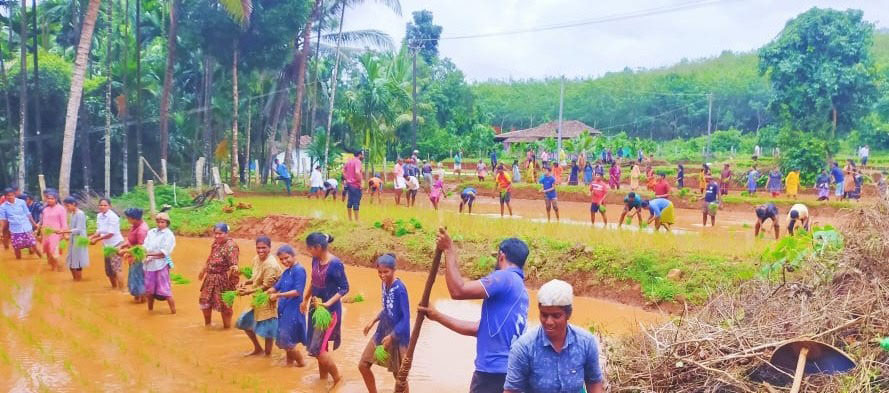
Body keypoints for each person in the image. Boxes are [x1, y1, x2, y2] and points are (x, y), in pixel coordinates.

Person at [420, 229, 530, 393]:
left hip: (492, 374)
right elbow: (477, 329)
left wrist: (449, 250)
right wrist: (436, 316)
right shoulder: (521, 291)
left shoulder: (504, 277)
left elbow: (458, 290)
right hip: (510, 374)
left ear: (501, 255)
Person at [504, 280, 604, 393]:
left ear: (568, 314)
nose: (549, 322)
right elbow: (512, 390)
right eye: (544, 315)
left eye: (556, 316)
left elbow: (594, 382)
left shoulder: (586, 342)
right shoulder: (524, 348)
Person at [301, 233, 349, 385]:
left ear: (318, 247)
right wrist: (306, 299)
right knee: (320, 347)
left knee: (318, 350)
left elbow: (344, 288)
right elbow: (313, 281)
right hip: (315, 308)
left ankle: (337, 379)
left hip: (329, 312)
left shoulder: (336, 264)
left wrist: (328, 303)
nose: (308, 251)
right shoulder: (315, 259)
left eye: (309, 248)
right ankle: (323, 380)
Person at [359, 254, 411, 393]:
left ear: (394, 270)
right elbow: (387, 309)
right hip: (382, 331)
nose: (382, 275)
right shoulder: (384, 284)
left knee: (400, 377)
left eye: (386, 272)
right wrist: (373, 320)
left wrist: (392, 336)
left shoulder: (400, 289)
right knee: (363, 365)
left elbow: (405, 319)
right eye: (379, 272)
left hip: (398, 337)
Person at [236, 235, 284, 355]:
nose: (260, 250)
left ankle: (268, 355)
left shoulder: (271, 265)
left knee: (268, 331)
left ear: (269, 248)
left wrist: (247, 292)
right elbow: (255, 277)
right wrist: (245, 282)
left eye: (264, 248)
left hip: (268, 299)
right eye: (258, 248)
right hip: (257, 297)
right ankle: (258, 348)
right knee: (243, 321)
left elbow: (266, 286)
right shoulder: (256, 259)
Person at [267, 244, 307, 367]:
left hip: (293, 309)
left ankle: (301, 363)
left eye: (286, 258)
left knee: (286, 339)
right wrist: (267, 292)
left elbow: (298, 291)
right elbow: (277, 286)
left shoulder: (299, 270)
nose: (284, 261)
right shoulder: (286, 272)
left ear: (294, 255)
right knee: (287, 339)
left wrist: (278, 295)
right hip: (284, 309)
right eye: (281, 259)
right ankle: (289, 364)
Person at [199, 223, 240, 329]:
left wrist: (232, 284)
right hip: (210, 277)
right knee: (204, 301)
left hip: (224, 279)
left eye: (220, 233)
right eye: (215, 233)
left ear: (226, 233)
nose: (217, 236)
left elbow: (234, 265)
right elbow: (210, 257)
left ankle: (227, 328)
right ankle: (207, 325)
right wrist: (203, 270)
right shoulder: (216, 243)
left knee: (225, 306)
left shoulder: (231, 246)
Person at [143, 212, 177, 314]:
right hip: (149, 264)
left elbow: (164, 253)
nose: (160, 224)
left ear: (167, 223)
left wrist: (148, 254)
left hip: (161, 264)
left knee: (165, 290)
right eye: (158, 222)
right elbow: (145, 246)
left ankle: (173, 311)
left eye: (162, 222)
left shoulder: (169, 235)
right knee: (149, 290)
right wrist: (143, 252)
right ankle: (150, 310)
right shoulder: (151, 232)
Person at [91, 198, 126, 290]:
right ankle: (114, 288)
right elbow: (99, 230)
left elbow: (110, 234)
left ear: (110, 206)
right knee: (109, 269)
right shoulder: (99, 216)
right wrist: (92, 237)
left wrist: (97, 240)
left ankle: (121, 290)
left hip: (116, 245)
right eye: (101, 205)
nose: (102, 207)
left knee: (117, 268)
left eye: (105, 205)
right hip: (106, 246)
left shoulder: (113, 217)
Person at [0, 187, 41, 260]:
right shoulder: (3, 207)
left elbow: (28, 214)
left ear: (14, 195)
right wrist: (1, 231)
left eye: (11, 195)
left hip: (26, 227)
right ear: (5, 196)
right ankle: (18, 261)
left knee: (33, 244)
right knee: (16, 247)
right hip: (15, 229)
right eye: (8, 195)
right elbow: (3, 220)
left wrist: (34, 224)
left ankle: (42, 258)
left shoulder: (21, 202)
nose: (10, 197)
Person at [122, 208, 149, 303]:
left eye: (128, 218)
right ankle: (137, 298)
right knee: (134, 278)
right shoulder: (134, 226)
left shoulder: (142, 230)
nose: (127, 220)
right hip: (133, 255)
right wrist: (122, 246)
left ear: (134, 218)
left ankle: (143, 299)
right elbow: (130, 240)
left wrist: (127, 252)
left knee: (139, 278)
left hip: (139, 257)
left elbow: (140, 248)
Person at [40, 189, 68, 272]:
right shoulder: (45, 209)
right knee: (48, 251)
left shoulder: (61, 209)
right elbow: (43, 222)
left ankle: (56, 269)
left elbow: (64, 223)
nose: (50, 200)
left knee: (54, 251)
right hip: (46, 234)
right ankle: (53, 267)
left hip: (56, 233)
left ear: (56, 199)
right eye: (48, 198)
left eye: (52, 198)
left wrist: (64, 234)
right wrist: (40, 232)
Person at [62, 197, 89, 281]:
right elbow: (72, 228)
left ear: (73, 204)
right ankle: (76, 280)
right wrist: (65, 234)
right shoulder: (72, 214)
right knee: (71, 260)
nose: (66, 208)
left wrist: (66, 231)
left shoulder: (80, 214)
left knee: (78, 261)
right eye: (65, 206)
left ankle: (78, 280)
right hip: (73, 239)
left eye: (67, 206)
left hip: (79, 239)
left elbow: (79, 229)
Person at [344, 151, 365, 221]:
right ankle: (357, 220)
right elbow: (357, 172)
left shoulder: (349, 161)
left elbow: (343, 171)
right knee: (356, 202)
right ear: (359, 155)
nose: (363, 156)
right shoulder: (358, 161)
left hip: (349, 184)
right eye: (363, 155)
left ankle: (350, 219)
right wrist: (360, 182)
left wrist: (347, 179)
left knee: (350, 201)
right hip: (355, 185)